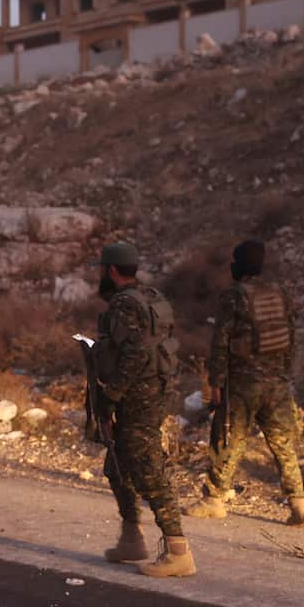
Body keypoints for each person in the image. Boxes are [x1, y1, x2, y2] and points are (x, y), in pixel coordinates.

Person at [185, 240, 304, 526]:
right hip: (277, 384)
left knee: (228, 439)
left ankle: (213, 500)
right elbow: (291, 337)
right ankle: (300, 505)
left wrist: (216, 381)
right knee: (283, 444)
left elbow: (221, 342)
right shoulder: (280, 292)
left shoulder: (234, 295)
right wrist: (283, 373)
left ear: (241, 264)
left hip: (243, 385)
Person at [92, 242, 195, 578]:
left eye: (101, 269)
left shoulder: (123, 304)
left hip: (136, 397)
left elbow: (135, 354)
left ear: (110, 270)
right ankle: (131, 538)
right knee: (117, 463)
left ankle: (178, 551)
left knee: (148, 469)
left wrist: (112, 395)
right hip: (154, 391)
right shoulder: (151, 297)